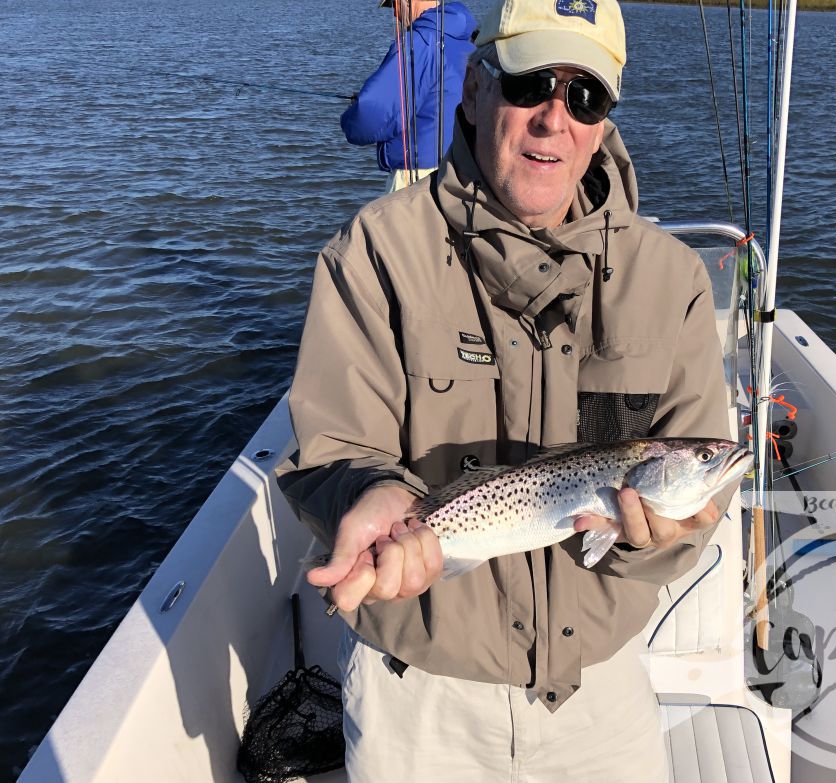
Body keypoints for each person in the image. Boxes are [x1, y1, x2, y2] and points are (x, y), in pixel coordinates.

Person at [280, 0, 737, 779]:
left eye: (585, 95)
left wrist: (663, 534)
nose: (554, 119)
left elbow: (690, 504)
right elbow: (329, 451)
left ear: (605, 119)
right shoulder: (374, 253)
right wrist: (371, 495)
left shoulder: (674, 281)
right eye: (530, 83)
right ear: (475, 86)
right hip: (418, 704)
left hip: (599, 697)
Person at [340, 0, 476, 192]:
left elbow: (370, 115)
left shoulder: (419, 42)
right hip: (463, 173)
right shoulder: (467, 42)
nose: (395, 14)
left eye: (394, 4)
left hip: (418, 178)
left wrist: (350, 117)